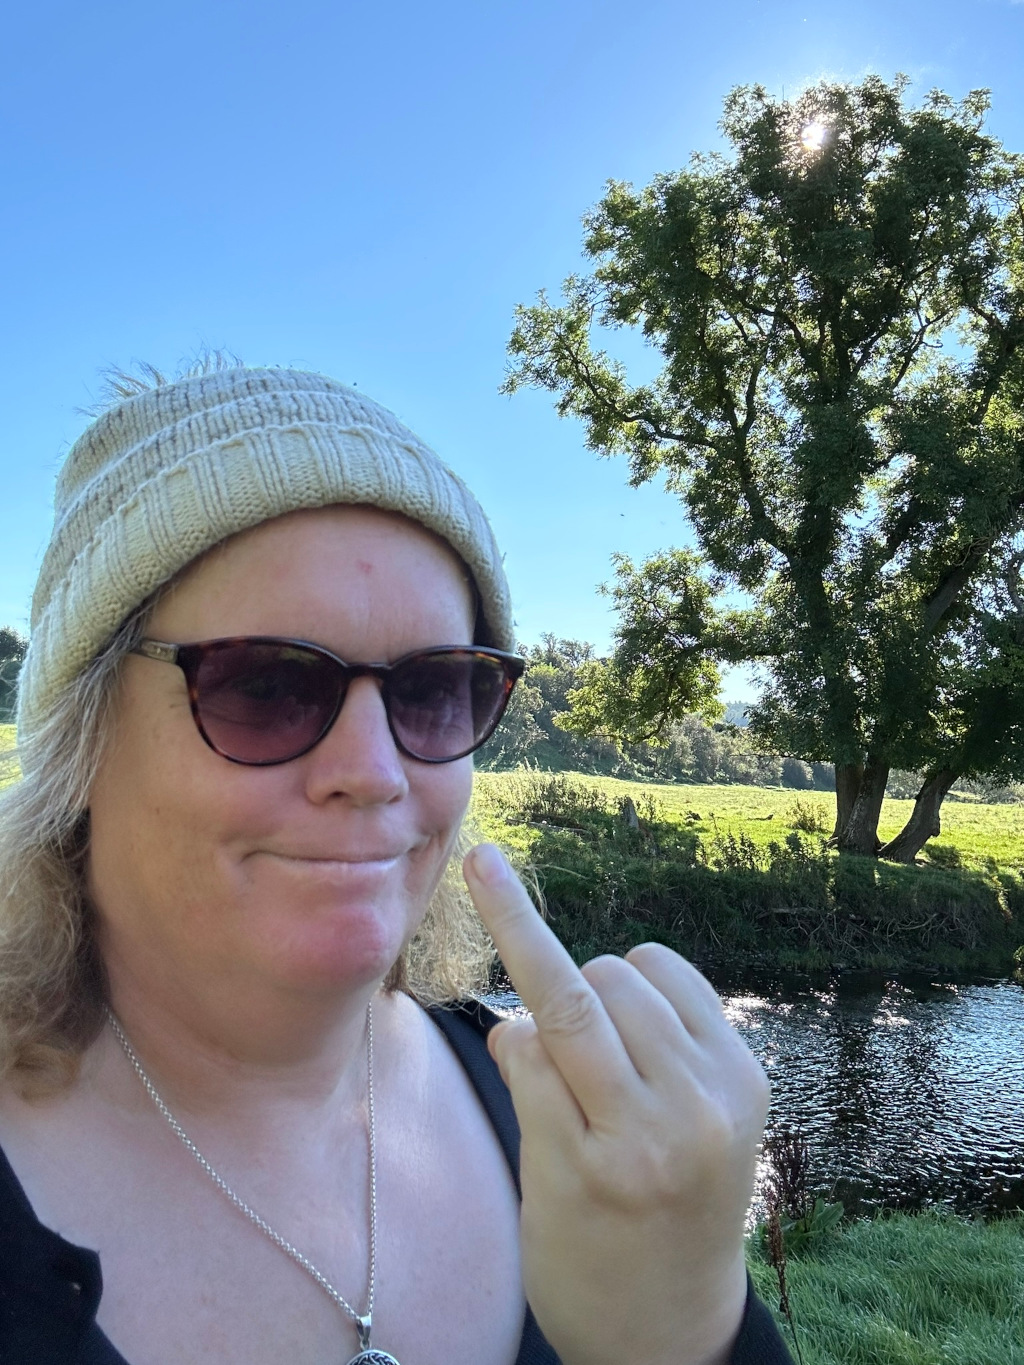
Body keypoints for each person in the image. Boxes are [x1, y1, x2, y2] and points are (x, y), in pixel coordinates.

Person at [0, 367, 792, 1365]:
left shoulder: (561, 1129)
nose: (374, 775)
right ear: (82, 743)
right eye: (267, 687)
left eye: (433, 691)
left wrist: (676, 1328)